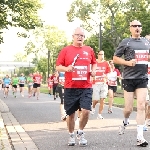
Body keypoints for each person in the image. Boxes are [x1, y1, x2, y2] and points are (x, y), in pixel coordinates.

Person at [56, 27, 97, 146]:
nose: (80, 37)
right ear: (73, 36)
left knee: (86, 111)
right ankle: (71, 135)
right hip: (70, 87)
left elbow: (94, 63)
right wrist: (66, 68)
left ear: (84, 38)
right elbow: (58, 66)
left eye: (82, 36)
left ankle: (81, 132)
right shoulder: (66, 50)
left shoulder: (89, 49)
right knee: (71, 115)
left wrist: (93, 71)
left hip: (86, 86)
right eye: (77, 35)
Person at [113, 20, 150, 147]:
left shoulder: (146, 42)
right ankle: (125, 121)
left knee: (141, 105)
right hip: (129, 78)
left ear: (141, 28)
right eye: (134, 26)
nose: (137, 28)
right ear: (130, 28)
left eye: (139, 25)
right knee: (128, 109)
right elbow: (115, 58)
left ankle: (140, 137)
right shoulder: (126, 42)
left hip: (142, 77)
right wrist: (128, 63)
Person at [91, 50, 110, 119]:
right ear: (97, 55)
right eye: (100, 54)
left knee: (103, 99)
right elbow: (90, 72)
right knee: (96, 99)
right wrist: (92, 76)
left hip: (103, 83)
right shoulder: (94, 63)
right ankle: (93, 107)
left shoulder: (106, 63)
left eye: (102, 54)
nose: (101, 55)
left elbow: (108, 72)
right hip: (95, 83)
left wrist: (106, 76)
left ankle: (99, 114)